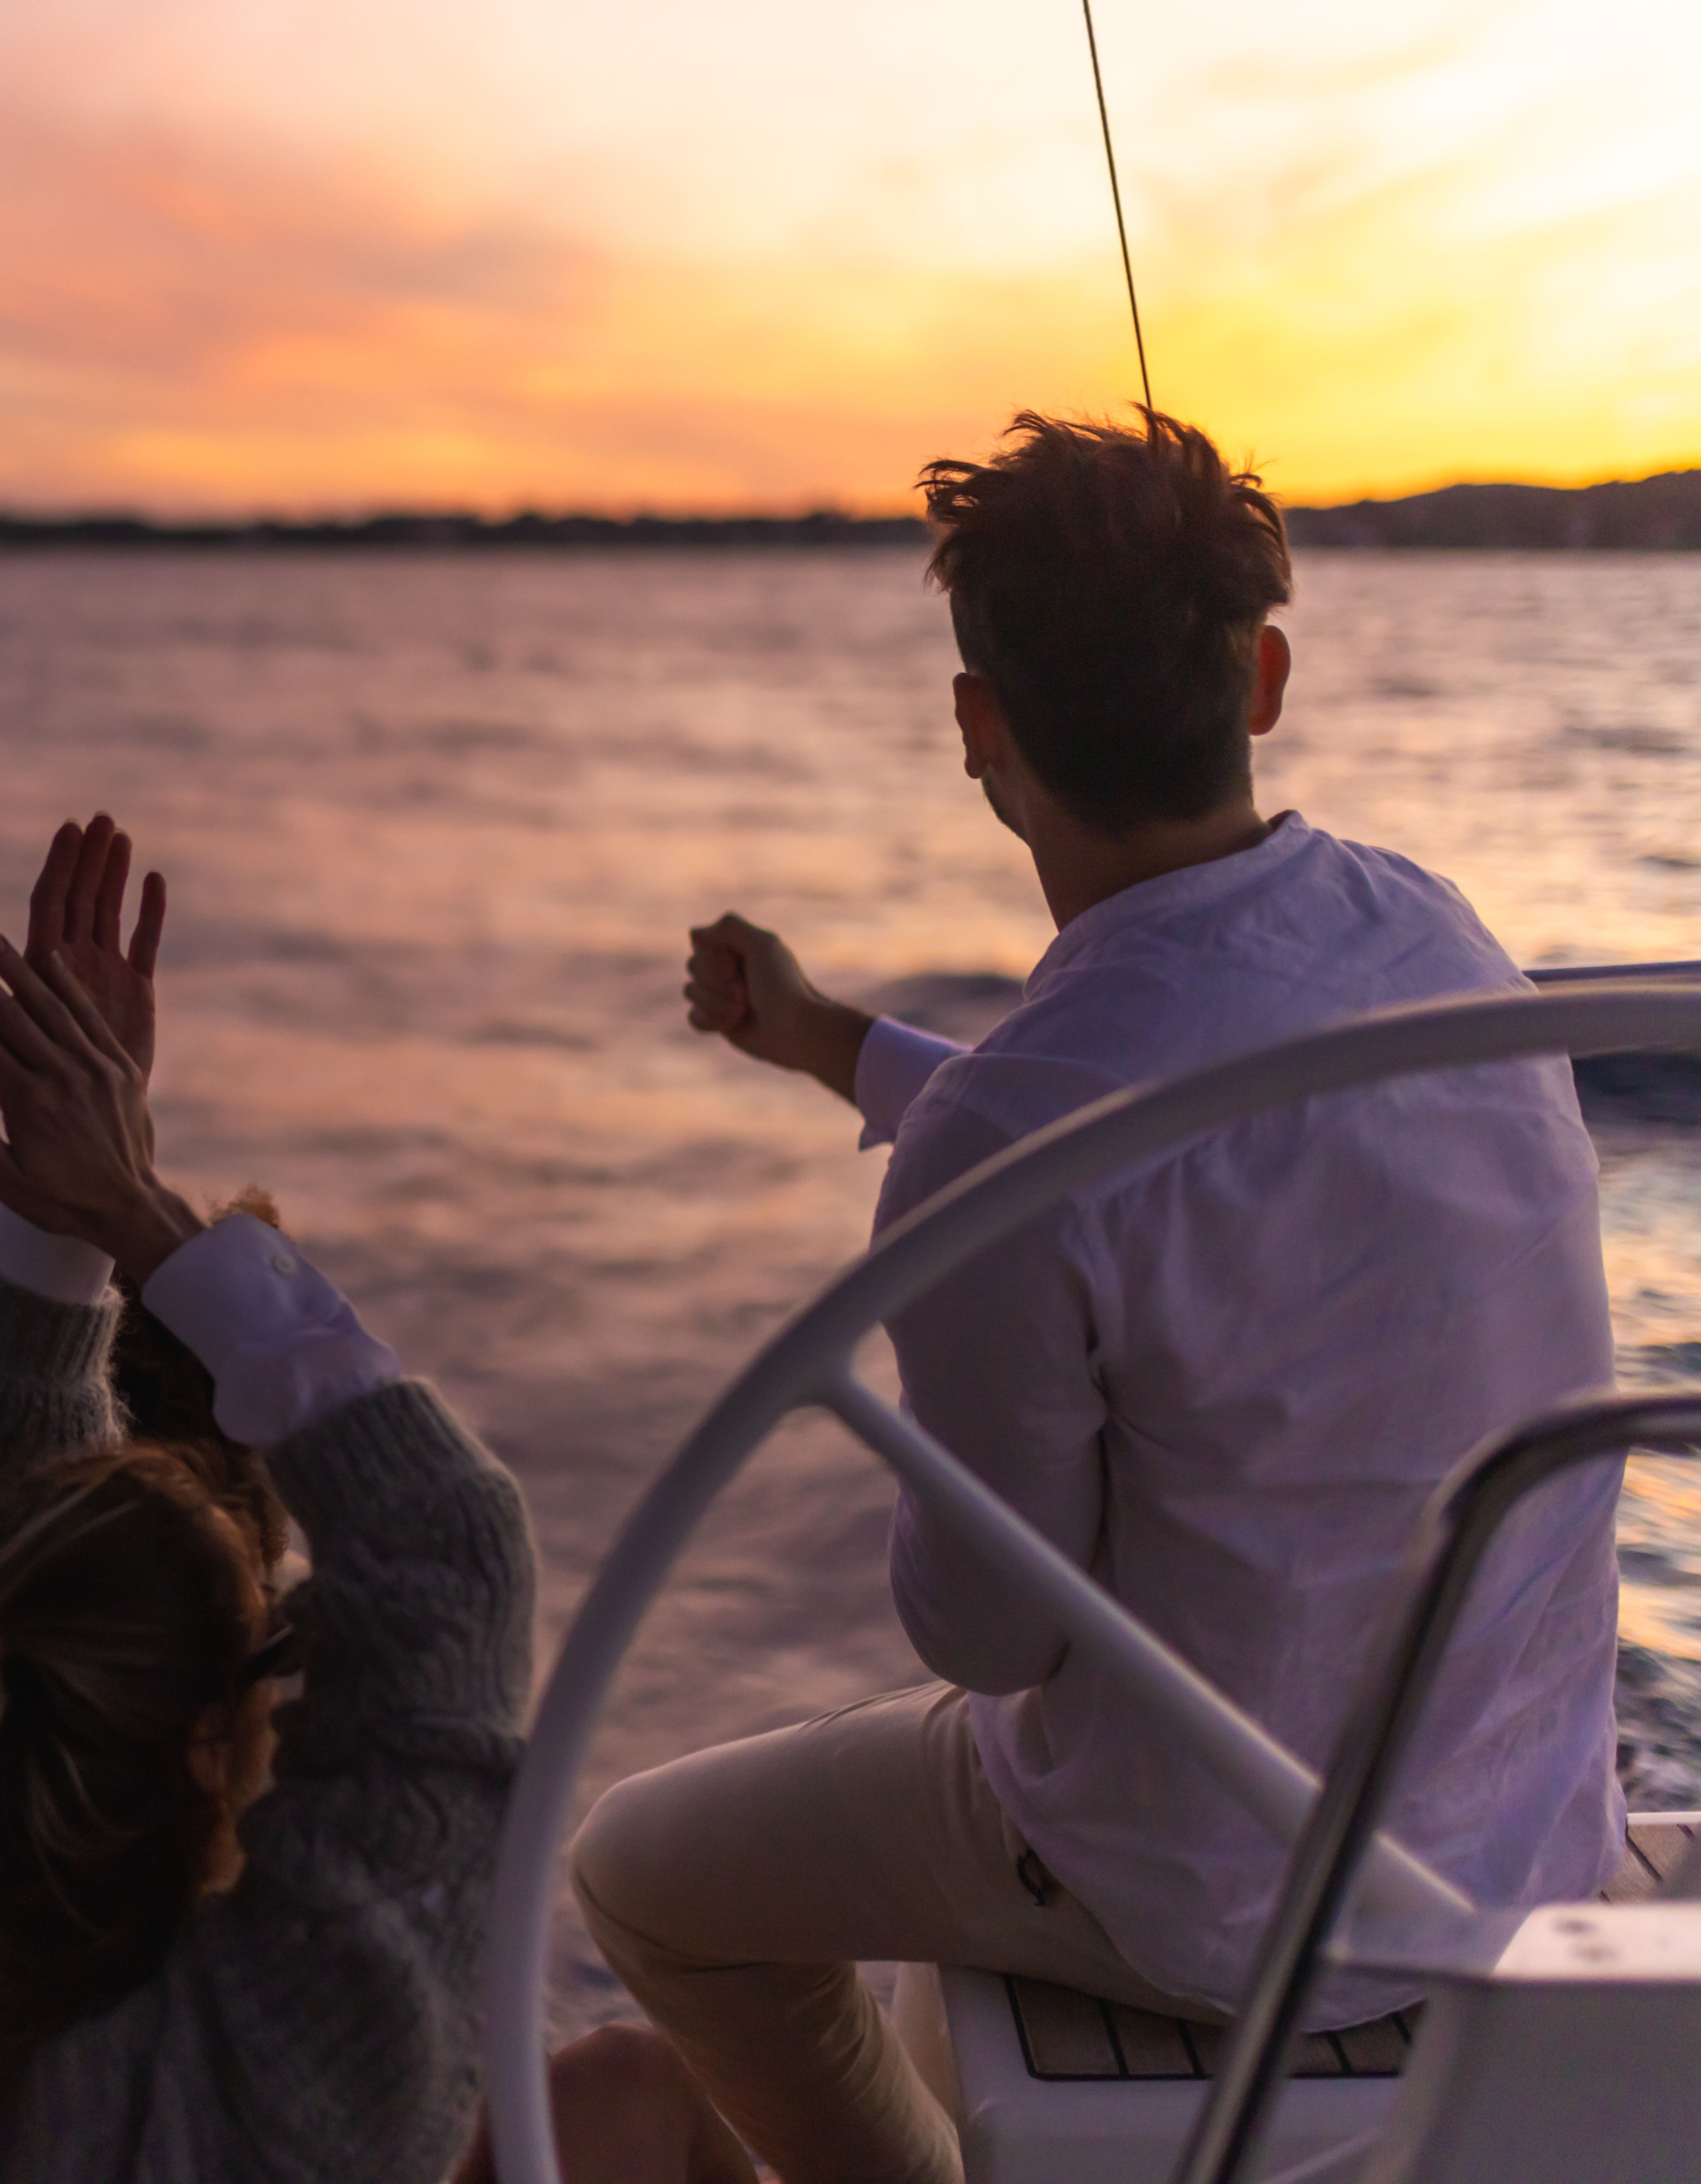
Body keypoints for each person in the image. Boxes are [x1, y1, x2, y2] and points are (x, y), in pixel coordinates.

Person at [566, 411, 1624, 2184]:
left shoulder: (1008, 1134)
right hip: (1513, 1845)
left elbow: (985, 1638)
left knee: (633, 1872)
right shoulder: (1434, 937)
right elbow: (1175, 1128)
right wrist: (831, 1044)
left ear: (977, 728)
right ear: (1260, 678)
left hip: (1220, 1908)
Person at [0, 814, 542, 2184]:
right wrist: (121, 1207)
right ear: (208, 1742)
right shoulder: (281, 2086)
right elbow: (452, 1550)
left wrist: (67, 1223)